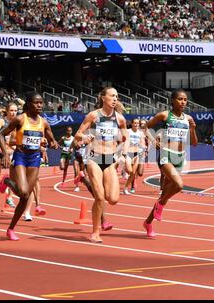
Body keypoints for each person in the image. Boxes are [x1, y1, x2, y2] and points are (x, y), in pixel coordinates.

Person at [0, 92, 59, 241]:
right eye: (37, 103)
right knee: (23, 192)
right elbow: (2, 135)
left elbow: (50, 137)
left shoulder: (44, 122)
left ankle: (10, 229)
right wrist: (5, 153)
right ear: (29, 104)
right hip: (21, 156)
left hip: (35, 158)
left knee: (25, 197)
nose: (40, 105)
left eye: (41, 103)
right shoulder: (20, 119)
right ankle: (7, 181)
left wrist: (53, 143)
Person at [75, 87, 130, 243]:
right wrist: (85, 138)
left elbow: (126, 138)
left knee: (112, 199)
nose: (115, 99)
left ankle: (85, 182)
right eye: (112, 96)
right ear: (103, 97)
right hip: (94, 159)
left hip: (110, 161)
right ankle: (95, 232)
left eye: (116, 97)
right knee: (99, 197)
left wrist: (123, 156)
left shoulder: (120, 119)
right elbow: (78, 133)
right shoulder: (93, 115)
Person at [143, 89, 197, 238]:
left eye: (185, 100)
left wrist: (192, 129)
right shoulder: (165, 115)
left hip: (180, 157)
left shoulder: (188, 119)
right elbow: (145, 127)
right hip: (165, 154)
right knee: (179, 185)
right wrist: (153, 141)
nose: (183, 102)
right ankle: (161, 206)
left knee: (164, 194)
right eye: (180, 99)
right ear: (172, 100)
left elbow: (193, 143)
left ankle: (148, 222)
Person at [123, 118, 143, 195]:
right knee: (130, 171)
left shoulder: (140, 133)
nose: (136, 124)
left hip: (136, 154)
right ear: (131, 124)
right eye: (135, 123)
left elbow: (142, 142)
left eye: (138, 123)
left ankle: (125, 188)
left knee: (133, 173)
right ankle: (124, 170)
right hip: (128, 153)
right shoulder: (128, 131)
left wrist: (142, 148)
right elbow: (123, 141)